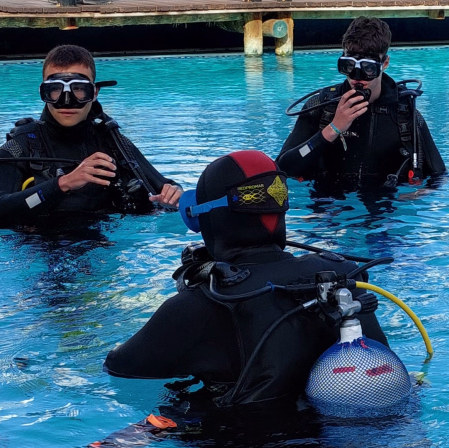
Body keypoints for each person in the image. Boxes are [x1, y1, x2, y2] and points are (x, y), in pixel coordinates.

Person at [104, 150, 392, 410]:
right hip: (357, 443)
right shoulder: (342, 277)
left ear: (207, 220)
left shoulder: (202, 304)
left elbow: (119, 367)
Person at [0, 43, 182, 231]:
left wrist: (173, 194)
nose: (67, 101)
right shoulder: (21, 146)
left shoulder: (112, 141)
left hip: (105, 248)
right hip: (40, 249)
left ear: (94, 92)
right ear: (44, 92)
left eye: (79, 89)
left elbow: (165, 187)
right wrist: (62, 184)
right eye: (55, 89)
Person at [277, 17, 446, 191]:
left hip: (387, 209)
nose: (357, 77)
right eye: (349, 66)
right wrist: (333, 129)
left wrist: (417, 196)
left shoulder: (404, 114)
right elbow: (282, 168)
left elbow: (440, 177)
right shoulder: (321, 107)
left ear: (385, 63)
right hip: (329, 208)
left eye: (369, 69)